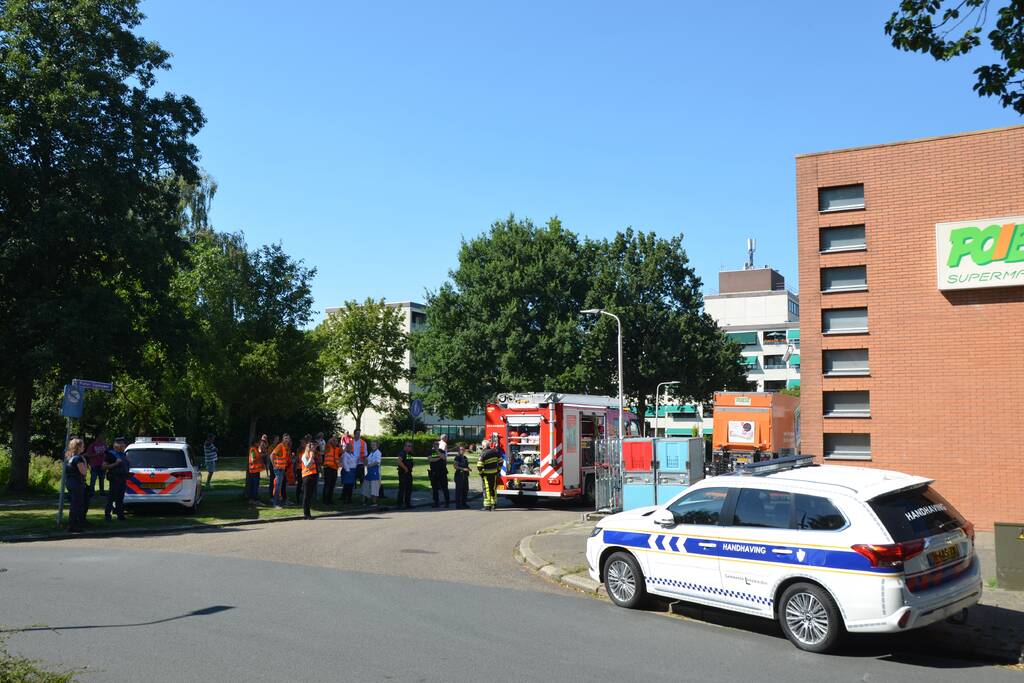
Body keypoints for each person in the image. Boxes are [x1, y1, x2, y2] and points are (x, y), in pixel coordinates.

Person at [101, 436, 130, 521]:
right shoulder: (110, 454)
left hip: (123, 478)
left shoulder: (123, 454)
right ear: (117, 445)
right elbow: (103, 466)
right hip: (115, 478)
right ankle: (107, 516)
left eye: (124, 444)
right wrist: (116, 464)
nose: (124, 446)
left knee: (120, 498)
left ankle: (120, 515)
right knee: (111, 498)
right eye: (122, 444)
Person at [64, 436, 88, 532]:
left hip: (70, 482)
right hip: (77, 482)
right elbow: (84, 472)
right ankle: (73, 525)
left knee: (74, 504)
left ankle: (74, 524)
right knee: (77, 504)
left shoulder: (69, 457)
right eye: (82, 446)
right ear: (78, 447)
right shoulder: (78, 458)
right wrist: (85, 462)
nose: (84, 447)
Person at [477, 438, 502, 511]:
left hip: (486, 475)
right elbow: (501, 462)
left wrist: (481, 473)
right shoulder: (495, 452)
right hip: (494, 474)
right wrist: (498, 470)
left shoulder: (483, 453)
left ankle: (487, 506)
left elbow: (479, 466)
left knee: (486, 489)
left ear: (483, 446)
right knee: (493, 488)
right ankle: (494, 504)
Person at [271, 434, 291, 508]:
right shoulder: (280, 446)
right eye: (285, 438)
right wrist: (274, 466)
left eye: (288, 438)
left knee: (279, 486)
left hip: (282, 469)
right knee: (277, 486)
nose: (287, 440)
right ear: (283, 439)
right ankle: (275, 503)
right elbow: (271, 455)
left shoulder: (286, 447)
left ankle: (279, 502)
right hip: (278, 469)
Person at [300, 441, 319, 519]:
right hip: (307, 477)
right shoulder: (304, 455)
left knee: (310, 495)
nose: (314, 449)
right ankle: (306, 514)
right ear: (309, 448)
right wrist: (311, 458)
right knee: (306, 495)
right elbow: (307, 465)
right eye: (313, 447)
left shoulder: (313, 455)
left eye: (314, 447)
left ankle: (308, 513)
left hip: (313, 476)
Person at [86, 431, 108, 495]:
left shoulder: (104, 445)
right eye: (100, 436)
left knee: (102, 479)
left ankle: (102, 492)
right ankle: (91, 493)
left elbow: (107, 453)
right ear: (97, 437)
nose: (102, 438)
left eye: (102, 437)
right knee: (93, 479)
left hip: (102, 465)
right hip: (94, 465)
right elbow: (88, 455)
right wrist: (96, 454)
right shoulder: (92, 445)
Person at [246, 436, 264, 506]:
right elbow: (253, 459)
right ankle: (254, 500)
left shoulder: (255, 449)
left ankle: (252, 500)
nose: (260, 443)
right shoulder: (253, 449)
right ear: (256, 443)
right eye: (259, 442)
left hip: (255, 470)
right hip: (254, 471)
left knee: (253, 486)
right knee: (255, 486)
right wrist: (260, 458)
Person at [396, 441, 415, 509]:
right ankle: (399, 504)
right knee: (402, 489)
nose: (409, 447)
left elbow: (409, 462)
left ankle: (407, 503)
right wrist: (405, 468)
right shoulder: (402, 453)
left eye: (410, 446)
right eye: (407, 446)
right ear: (404, 446)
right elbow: (399, 461)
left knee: (409, 489)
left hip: (409, 474)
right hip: (403, 473)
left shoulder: (409, 454)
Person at [362, 441, 382, 506]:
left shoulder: (378, 453)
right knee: (366, 486)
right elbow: (367, 461)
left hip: (375, 472)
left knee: (374, 487)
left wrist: (369, 465)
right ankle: (365, 501)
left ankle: (374, 502)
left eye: (374, 445)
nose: (373, 446)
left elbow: (377, 461)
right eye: (372, 445)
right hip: (369, 471)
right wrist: (365, 460)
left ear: (377, 446)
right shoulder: (371, 453)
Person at [322, 435, 340, 504]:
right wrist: (333, 438)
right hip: (328, 468)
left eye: (336, 441)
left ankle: (330, 499)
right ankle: (325, 500)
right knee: (327, 485)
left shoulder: (337, 449)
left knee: (332, 485)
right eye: (334, 441)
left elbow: (342, 452)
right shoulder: (328, 447)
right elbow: (328, 442)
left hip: (334, 469)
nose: (335, 442)